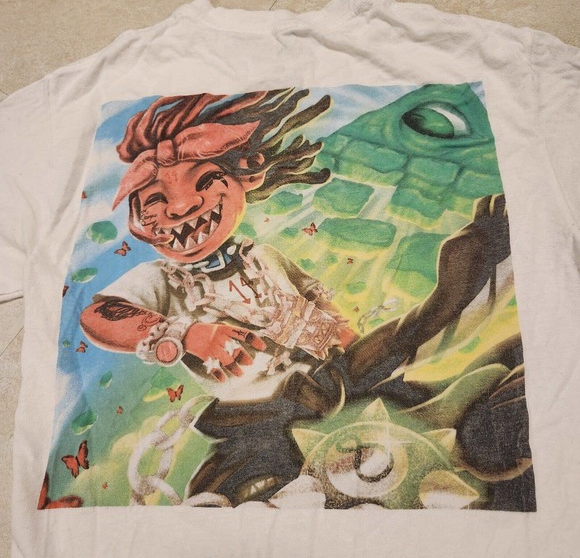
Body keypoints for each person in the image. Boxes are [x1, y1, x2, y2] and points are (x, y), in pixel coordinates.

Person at [80, 88, 531, 508]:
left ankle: (490, 257)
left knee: (415, 334)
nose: (181, 207)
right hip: (261, 415)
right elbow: (100, 315)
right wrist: (186, 334)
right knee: (226, 490)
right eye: (154, 200)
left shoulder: (262, 254)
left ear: (247, 177)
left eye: (203, 182)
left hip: (338, 373)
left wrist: (337, 327)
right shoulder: (159, 279)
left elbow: (312, 296)